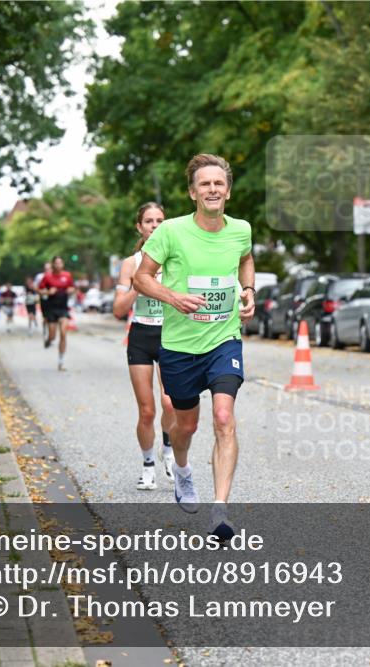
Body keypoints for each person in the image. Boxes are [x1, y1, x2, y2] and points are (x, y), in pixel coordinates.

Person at [134, 154, 255, 540]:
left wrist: (248, 291)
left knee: (223, 417)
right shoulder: (170, 231)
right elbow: (141, 278)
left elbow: (246, 259)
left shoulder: (241, 229)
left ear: (228, 191)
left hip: (224, 338)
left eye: (218, 183)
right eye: (205, 184)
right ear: (192, 192)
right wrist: (173, 297)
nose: (212, 189)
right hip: (180, 345)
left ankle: (220, 511)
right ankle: (182, 470)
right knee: (186, 424)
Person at [114, 202, 177, 490]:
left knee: (171, 402)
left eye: (160, 220)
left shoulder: (177, 259)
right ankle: (148, 466)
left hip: (171, 335)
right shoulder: (130, 264)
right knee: (147, 410)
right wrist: (140, 284)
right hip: (141, 335)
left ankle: (168, 449)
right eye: (149, 221)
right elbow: (118, 309)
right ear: (139, 227)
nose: (154, 225)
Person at [38, 256, 75, 370]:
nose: (59, 265)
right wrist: (48, 292)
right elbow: (39, 290)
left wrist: (71, 290)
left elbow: (72, 288)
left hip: (63, 308)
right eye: (56, 263)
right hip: (51, 308)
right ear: (53, 264)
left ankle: (61, 362)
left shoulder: (67, 275)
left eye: (60, 263)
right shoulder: (47, 276)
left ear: (63, 264)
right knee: (53, 336)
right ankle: (49, 340)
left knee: (63, 333)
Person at [35, 262, 53, 343]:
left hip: (54, 300)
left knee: (52, 318)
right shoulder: (40, 276)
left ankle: (51, 333)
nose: (47, 270)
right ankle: (45, 330)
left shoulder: (55, 276)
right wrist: (41, 291)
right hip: (44, 299)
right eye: (46, 268)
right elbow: (35, 287)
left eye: (49, 268)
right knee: (46, 317)